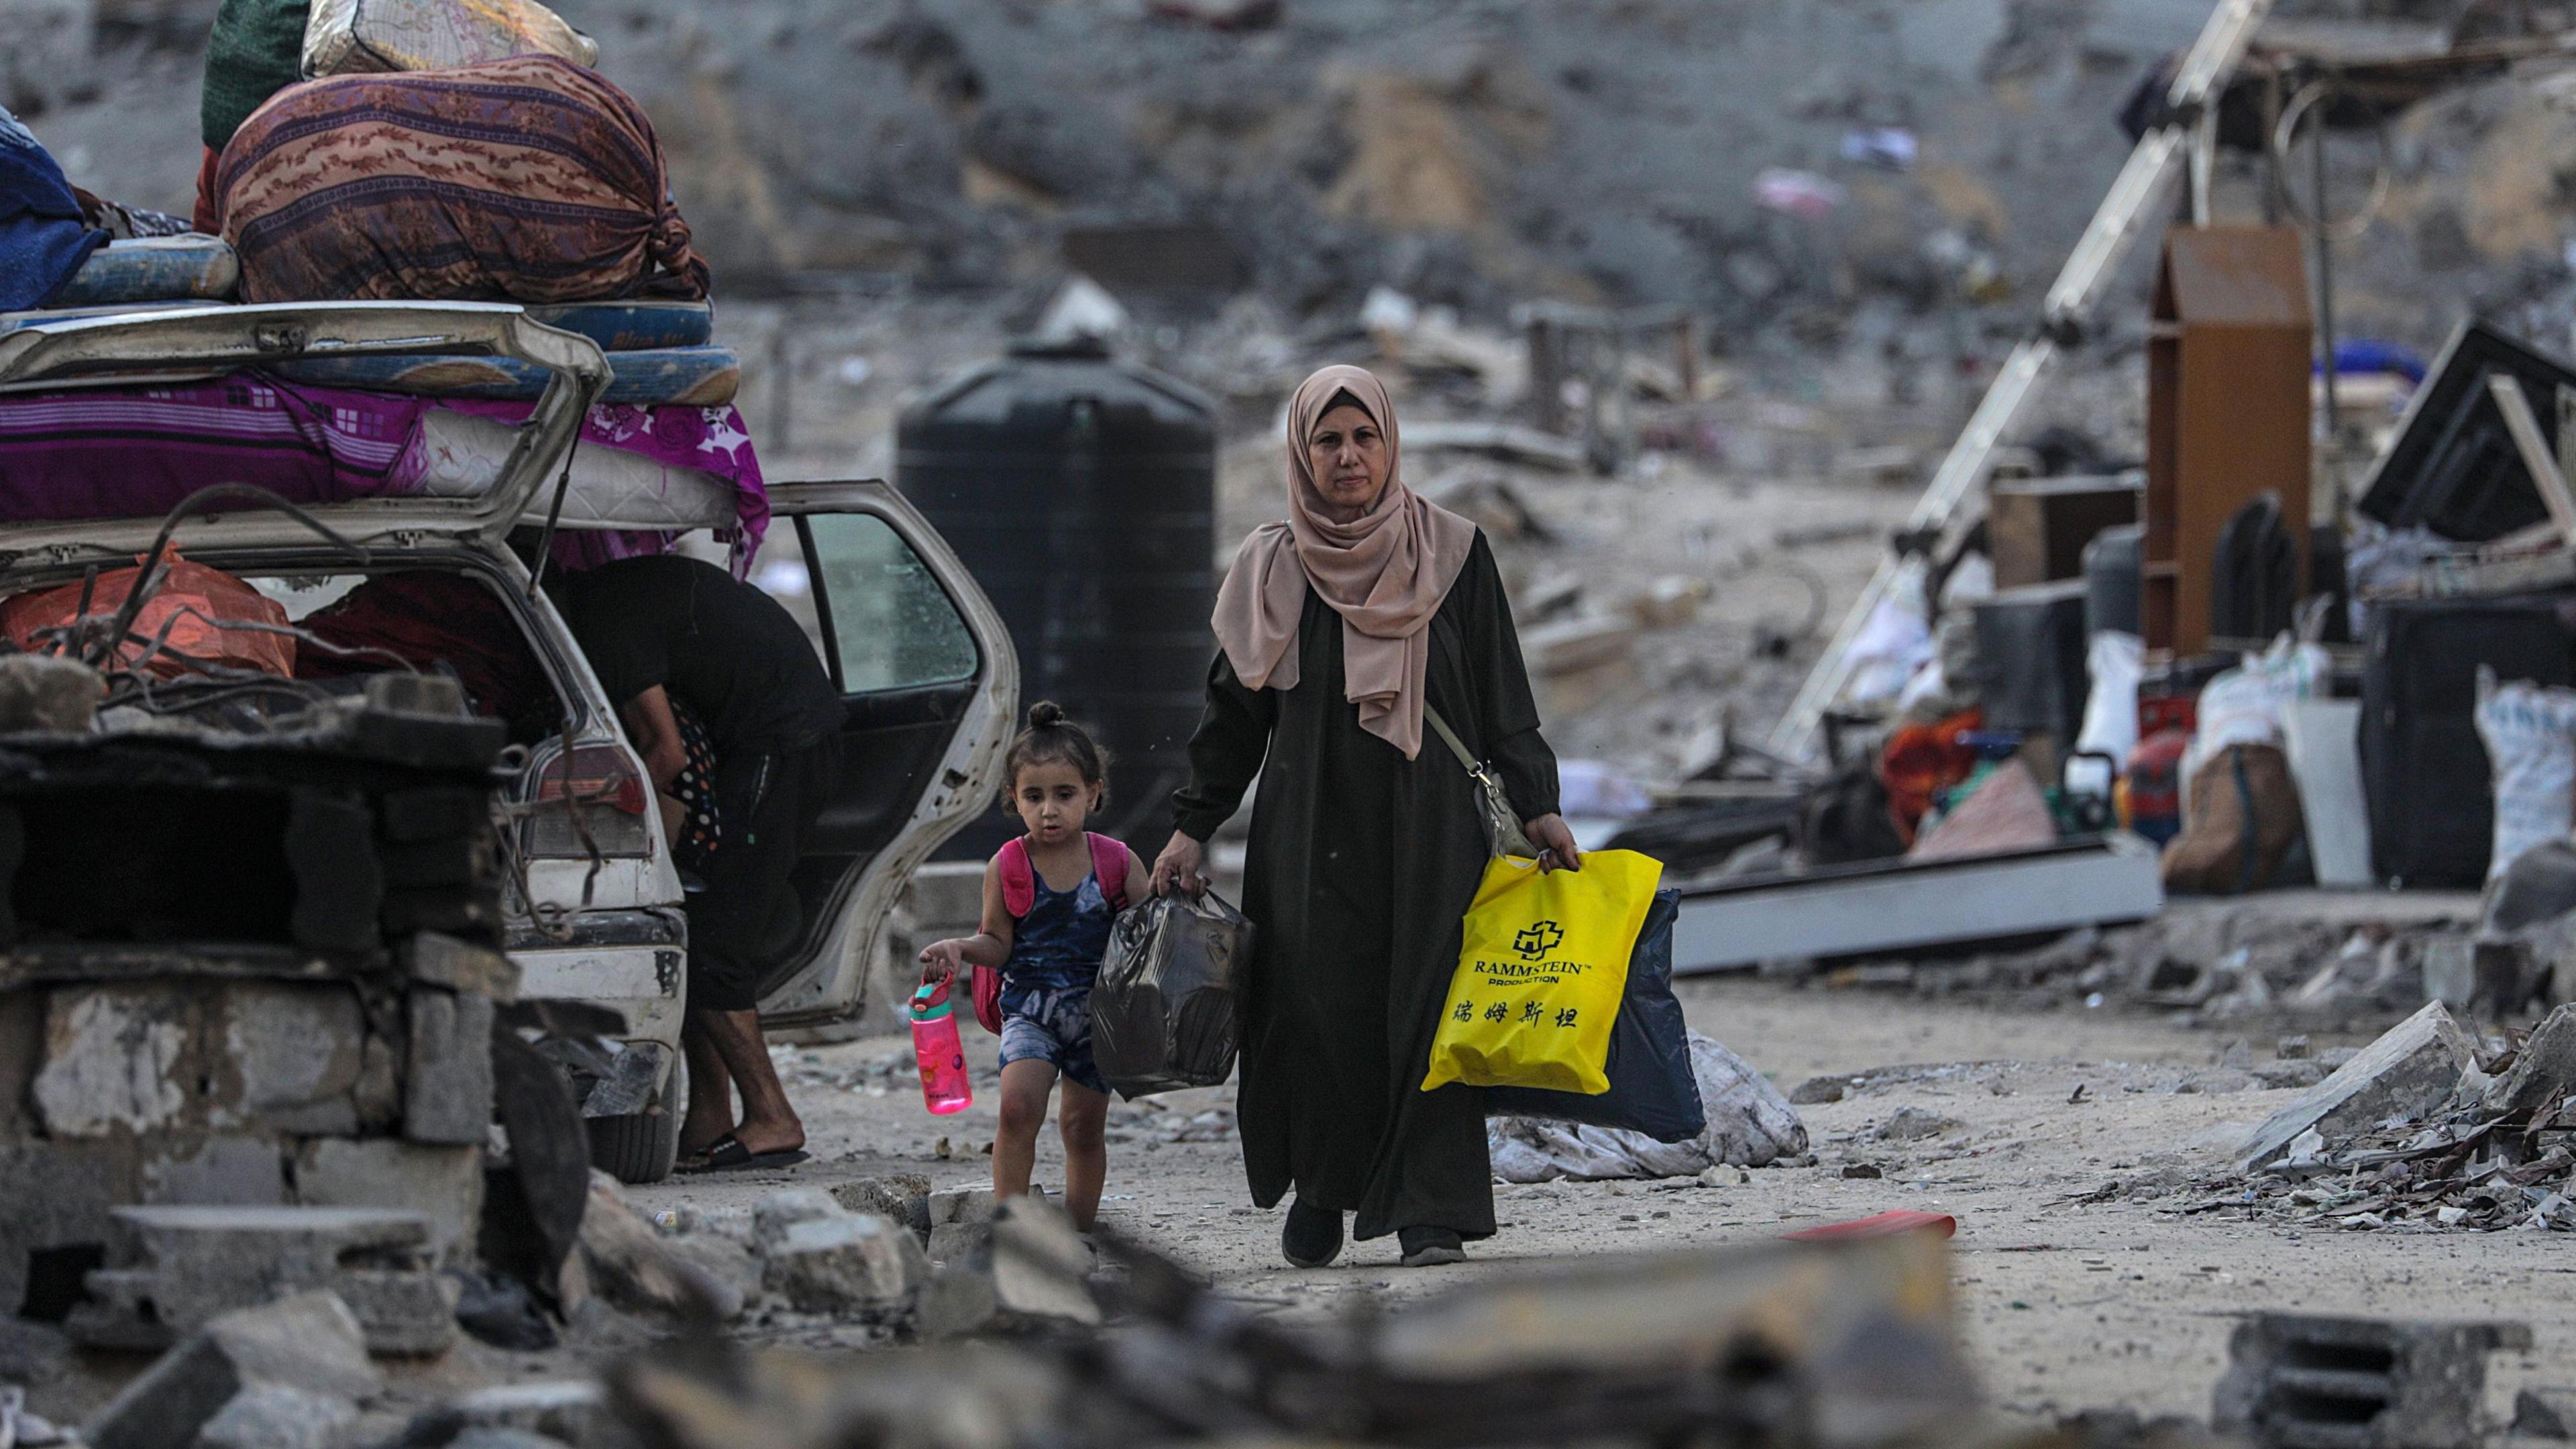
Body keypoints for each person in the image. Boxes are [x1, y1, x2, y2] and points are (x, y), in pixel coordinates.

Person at [1151, 364, 1580, 1270]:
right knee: (1313, 1008)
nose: (1349, 458)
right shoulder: (1273, 565)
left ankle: (1431, 1214)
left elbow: (1506, 694)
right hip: (1307, 825)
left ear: (1391, 444)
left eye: (1365, 437)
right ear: (1302, 455)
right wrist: (1193, 822)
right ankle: (1321, 1189)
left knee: (1432, 1007)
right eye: (1328, 441)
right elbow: (1233, 716)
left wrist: (1539, 806)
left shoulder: (1454, 551)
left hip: (1434, 824)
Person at [547, 553, 846, 1174]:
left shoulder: (601, 624)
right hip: (770, 738)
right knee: (692, 932)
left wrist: (596, 825)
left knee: (713, 946)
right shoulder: (609, 595)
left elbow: (666, 754)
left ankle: (772, 1116)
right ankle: (709, 1115)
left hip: (783, 743)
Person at [918, 704, 1147, 1232]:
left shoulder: (1116, 861)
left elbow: (1149, 939)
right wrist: (958, 947)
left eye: (1064, 795)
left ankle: (1078, 1236)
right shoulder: (1009, 864)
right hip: (1032, 1012)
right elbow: (998, 943)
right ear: (1014, 800)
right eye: (1034, 797)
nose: (1049, 810)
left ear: (1092, 793)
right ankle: (1014, 1233)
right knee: (1018, 1110)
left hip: (1100, 1020)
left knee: (1082, 1128)